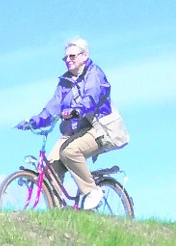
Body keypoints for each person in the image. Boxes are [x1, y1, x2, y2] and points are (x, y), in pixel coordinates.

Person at [17, 38, 113, 210]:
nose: (68, 60)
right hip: (73, 131)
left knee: (70, 152)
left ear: (85, 56)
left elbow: (90, 98)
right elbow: (54, 105)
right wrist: (35, 121)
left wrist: (76, 111)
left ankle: (92, 191)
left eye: (72, 56)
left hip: (97, 128)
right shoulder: (65, 82)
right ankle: (57, 211)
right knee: (52, 165)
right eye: (65, 58)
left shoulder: (94, 74)